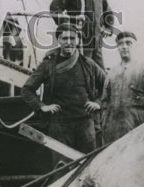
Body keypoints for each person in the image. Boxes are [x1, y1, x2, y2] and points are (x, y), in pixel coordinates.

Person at [19, 23, 106, 154]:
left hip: (85, 123)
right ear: (58, 40)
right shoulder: (48, 65)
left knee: (87, 164)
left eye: (72, 38)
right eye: (64, 38)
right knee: (61, 165)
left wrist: (98, 103)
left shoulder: (89, 64)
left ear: (77, 40)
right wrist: (41, 106)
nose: (69, 42)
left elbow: (108, 86)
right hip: (59, 125)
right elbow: (26, 90)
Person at [48, 0, 117, 69]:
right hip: (78, 42)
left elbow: (108, 14)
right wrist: (68, 26)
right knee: (80, 72)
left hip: (96, 44)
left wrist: (108, 28)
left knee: (100, 75)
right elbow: (55, 8)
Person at [100, 31, 144, 142]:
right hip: (113, 130)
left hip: (137, 128)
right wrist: (105, 123)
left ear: (135, 45)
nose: (124, 47)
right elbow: (105, 101)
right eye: (120, 44)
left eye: (128, 43)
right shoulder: (112, 73)